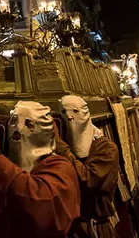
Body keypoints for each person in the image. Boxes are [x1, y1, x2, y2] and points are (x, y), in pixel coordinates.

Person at [0, 100, 80, 237]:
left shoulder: (61, 167)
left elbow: (36, 205)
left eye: (14, 120)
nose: (10, 127)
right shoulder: (9, 165)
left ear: (30, 126)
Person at [57, 95, 121, 237]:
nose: (69, 117)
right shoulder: (62, 145)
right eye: (63, 112)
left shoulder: (106, 149)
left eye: (74, 111)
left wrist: (63, 150)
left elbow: (88, 179)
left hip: (94, 227)